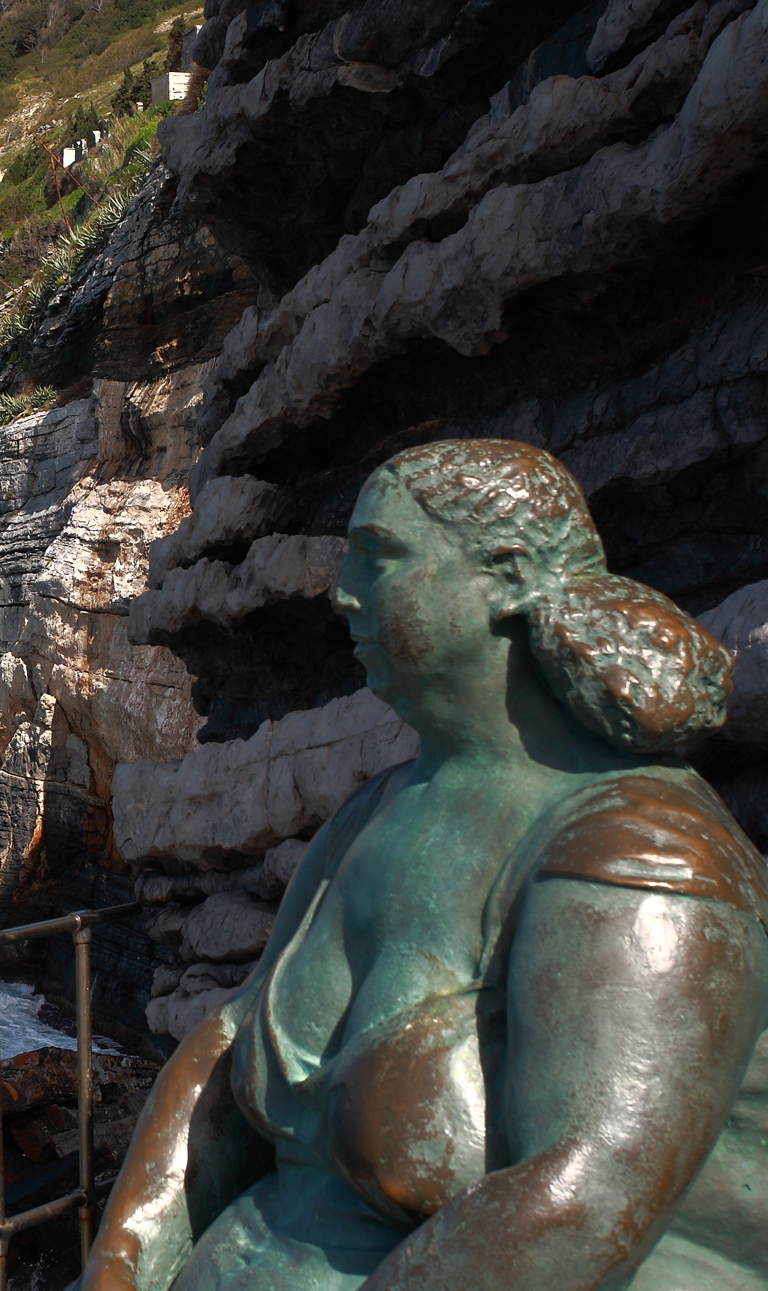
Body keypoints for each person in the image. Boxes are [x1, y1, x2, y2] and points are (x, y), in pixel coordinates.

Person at [81, 439, 766, 1291]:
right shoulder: (375, 812)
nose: (342, 592)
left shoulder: (643, 849)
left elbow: (583, 1203)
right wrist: (118, 1262)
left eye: (380, 558)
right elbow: (226, 1046)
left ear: (509, 576)